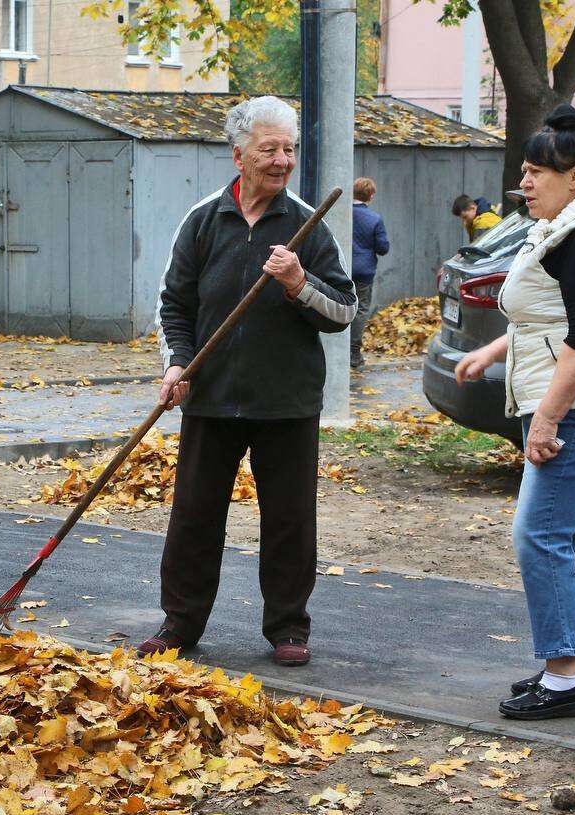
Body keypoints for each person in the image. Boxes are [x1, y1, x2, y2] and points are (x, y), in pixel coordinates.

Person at [141, 95, 357, 668]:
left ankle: (287, 626)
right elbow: (174, 304)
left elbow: (343, 313)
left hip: (285, 401)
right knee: (193, 515)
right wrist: (176, 365)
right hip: (210, 397)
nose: (282, 160)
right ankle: (180, 622)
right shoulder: (204, 220)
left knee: (289, 518)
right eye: (269, 149)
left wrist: (297, 281)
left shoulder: (307, 224)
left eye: (289, 149)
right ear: (239, 155)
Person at [453, 105, 575, 721]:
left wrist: (547, 419)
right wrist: (491, 349)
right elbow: (548, 315)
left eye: (536, 173)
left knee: (538, 534)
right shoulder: (565, 224)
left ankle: (560, 676)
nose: (524, 183)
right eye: (524, 172)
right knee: (568, 534)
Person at [350, 177, 390, 370]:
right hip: (364, 272)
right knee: (360, 309)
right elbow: (383, 248)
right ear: (371, 196)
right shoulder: (374, 219)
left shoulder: (342, 213)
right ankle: (354, 353)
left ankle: (335, 348)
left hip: (341, 268)